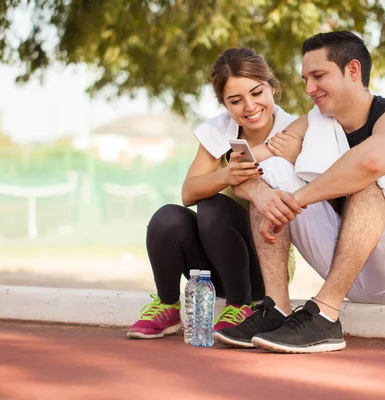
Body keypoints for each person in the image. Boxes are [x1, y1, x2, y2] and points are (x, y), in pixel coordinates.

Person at [214, 31, 385, 353]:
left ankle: (324, 315)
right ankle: (277, 307)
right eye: (306, 78)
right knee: (274, 176)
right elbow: (246, 165)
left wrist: (298, 192)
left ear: (353, 70)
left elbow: (371, 161)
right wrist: (259, 193)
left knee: (369, 178)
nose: (309, 88)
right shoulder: (315, 122)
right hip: (351, 268)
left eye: (318, 76)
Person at [127, 48, 301, 339]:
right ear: (225, 104)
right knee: (167, 217)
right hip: (214, 267)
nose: (249, 106)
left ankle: (240, 306)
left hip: (265, 271)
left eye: (257, 92)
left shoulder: (294, 130)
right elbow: (188, 193)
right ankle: (168, 306)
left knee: (213, 207)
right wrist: (225, 175)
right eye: (235, 100)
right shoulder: (220, 130)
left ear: (272, 87)